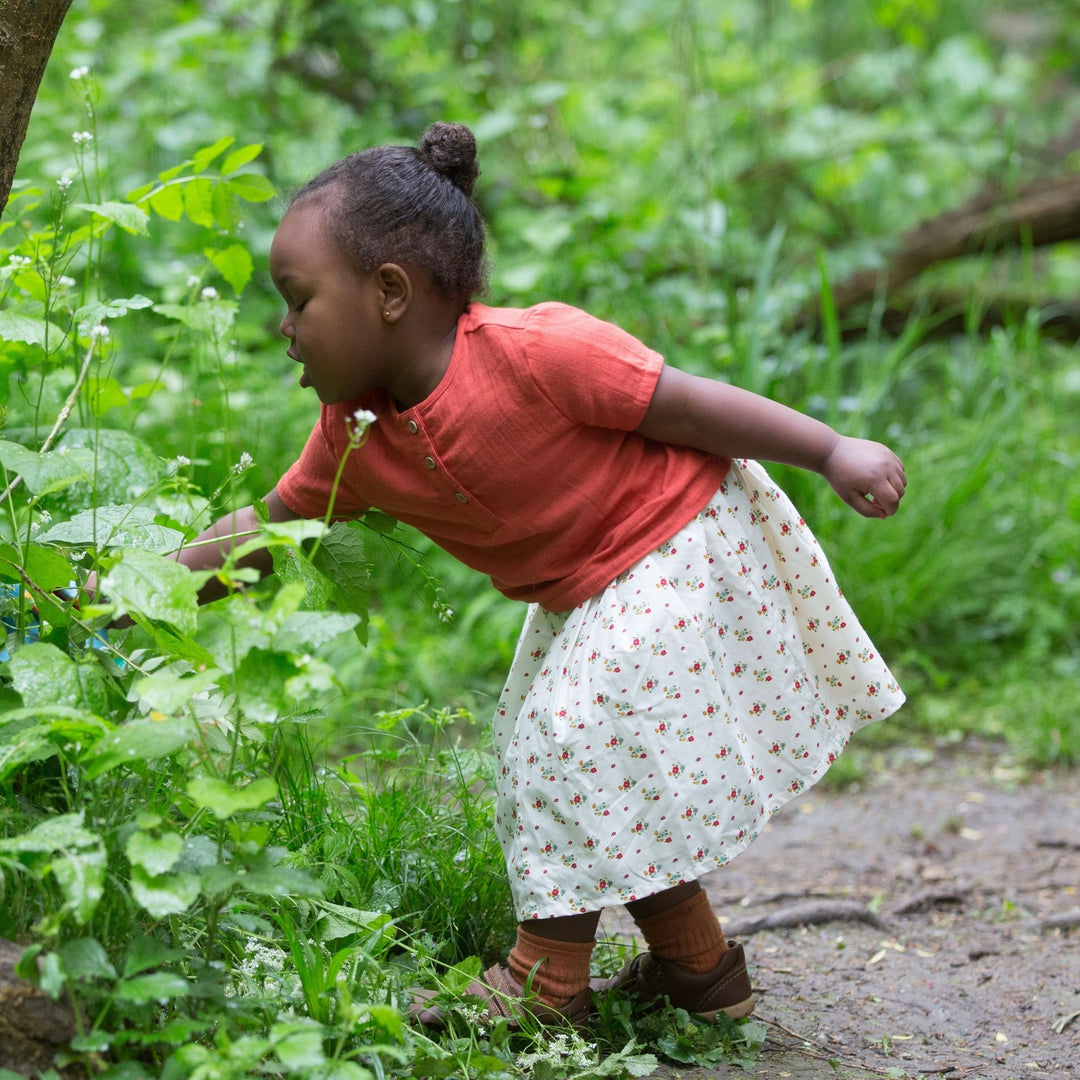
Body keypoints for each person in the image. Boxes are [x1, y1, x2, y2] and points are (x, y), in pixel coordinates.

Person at [175, 121, 907, 1029]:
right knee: (584, 759)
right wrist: (129, 599)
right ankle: (703, 972)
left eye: (298, 301)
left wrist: (832, 450)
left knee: (571, 736)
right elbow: (268, 530)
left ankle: (545, 981)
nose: (285, 330)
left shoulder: (537, 352)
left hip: (682, 542)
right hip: (589, 592)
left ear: (390, 292)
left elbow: (687, 402)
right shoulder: (357, 436)